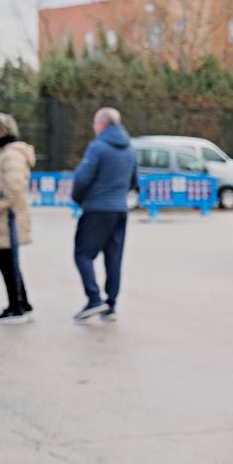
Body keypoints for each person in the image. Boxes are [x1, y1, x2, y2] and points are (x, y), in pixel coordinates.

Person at [70, 107, 137, 323]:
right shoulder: (130, 148)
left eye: (94, 123)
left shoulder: (97, 147)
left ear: (101, 125)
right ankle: (111, 305)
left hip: (97, 210)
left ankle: (94, 299)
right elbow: (134, 181)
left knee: (83, 254)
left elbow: (82, 178)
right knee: (113, 258)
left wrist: (78, 199)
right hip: (119, 210)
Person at [0, 113, 35, 324]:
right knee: (8, 263)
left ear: (1, 131)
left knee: (8, 264)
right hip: (5, 219)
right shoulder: (5, 153)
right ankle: (22, 304)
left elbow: (12, 190)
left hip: (9, 218)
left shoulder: (12, 155)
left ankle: (17, 307)